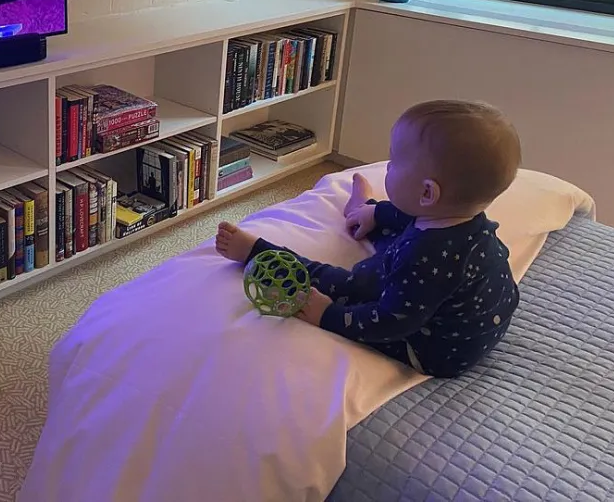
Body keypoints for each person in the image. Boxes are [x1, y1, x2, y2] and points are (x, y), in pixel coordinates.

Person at [216, 100, 523, 379]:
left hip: (435, 349)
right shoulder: (464, 221)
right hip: (468, 315)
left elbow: (389, 322)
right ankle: (362, 212)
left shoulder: (426, 259)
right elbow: (410, 218)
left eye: (394, 162)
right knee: (400, 226)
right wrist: (377, 215)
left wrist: (328, 315)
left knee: (354, 283)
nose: (387, 166)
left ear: (428, 192)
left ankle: (257, 250)